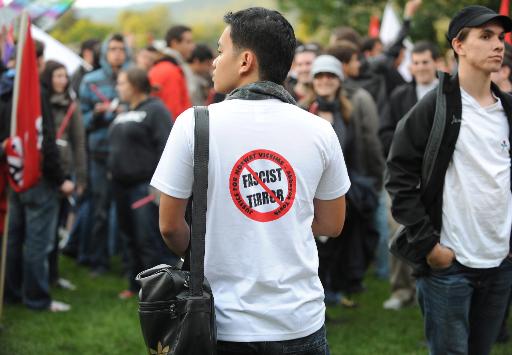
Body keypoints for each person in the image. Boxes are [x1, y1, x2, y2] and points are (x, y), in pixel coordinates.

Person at [151, 7, 350, 354]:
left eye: (219, 50)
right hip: (300, 320)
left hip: (221, 322)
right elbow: (332, 223)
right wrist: (280, 227)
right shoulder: (320, 130)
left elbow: (169, 225)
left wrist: (214, 250)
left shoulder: (194, 124)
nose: (214, 61)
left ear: (245, 61)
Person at [386, 6, 512, 355]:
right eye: (485, 37)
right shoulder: (435, 107)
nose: (498, 45)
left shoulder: (508, 110)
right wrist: (429, 246)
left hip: (500, 263)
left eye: (499, 38)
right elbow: (398, 176)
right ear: (459, 45)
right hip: (449, 265)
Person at [300, 55, 383, 303]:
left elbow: (363, 147)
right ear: (313, 81)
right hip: (310, 192)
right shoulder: (302, 110)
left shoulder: (348, 111)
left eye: (331, 76)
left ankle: (334, 291)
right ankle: (318, 296)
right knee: (317, 246)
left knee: (340, 242)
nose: (325, 81)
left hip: (342, 189)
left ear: (339, 80)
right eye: (320, 76)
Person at [3, 43, 74, 312]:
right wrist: (59, 179)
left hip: (14, 174)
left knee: (15, 237)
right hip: (36, 178)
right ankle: (36, 299)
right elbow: (45, 142)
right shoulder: (33, 92)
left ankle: (12, 292)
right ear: (39, 62)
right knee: (37, 243)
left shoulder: (7, 86)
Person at [380, 41, 440, 310]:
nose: (420, 67)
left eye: (425, 61)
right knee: (398, 227)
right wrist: (412, 142)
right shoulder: (399, 96)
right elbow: (383, 132)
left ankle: (431, 287)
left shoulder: (449, 95)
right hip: (403, 173)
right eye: (415, 62)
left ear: (436, 63)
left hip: (439, 177)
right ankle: (402, 289)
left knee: (436, 230)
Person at [109, 67, 176, 299]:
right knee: (128, 236)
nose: (118, 87)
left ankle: (156, 292)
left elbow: (167, 147)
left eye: (122, 83)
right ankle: (133, 284)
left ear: (135, 86)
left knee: (146, 238)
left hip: (143, 187)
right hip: (120, 185)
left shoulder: (155, 110)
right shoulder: (124, 110)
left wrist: (159, 186)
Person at [79, 33, 132, 276]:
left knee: (125, 209)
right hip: (100, 152)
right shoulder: (91, 80)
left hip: (125, 153)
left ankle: (127, 263)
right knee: (100, 208)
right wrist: (99, 114)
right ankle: (98, 261)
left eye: (121, 49)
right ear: (104, 52)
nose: (117, 53)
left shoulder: (132, 78)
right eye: (112, 49)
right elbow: (82, 121)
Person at [40, 60, 87, 290]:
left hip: (66, 173)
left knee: (59, 227)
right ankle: (40, 278)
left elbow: (79, 142)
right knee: (44, 231)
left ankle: (53, 275)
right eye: (57, 76)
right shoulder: (41, 101)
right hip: (44, 173)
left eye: (64, 76)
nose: (61, 80)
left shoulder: (72, 105)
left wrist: (81, 176)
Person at [149, 26, 192, 119]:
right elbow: (173, 110)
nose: (192, 47)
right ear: (174, 43)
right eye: (188, 42)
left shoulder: (162, 65)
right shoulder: (170, 70)